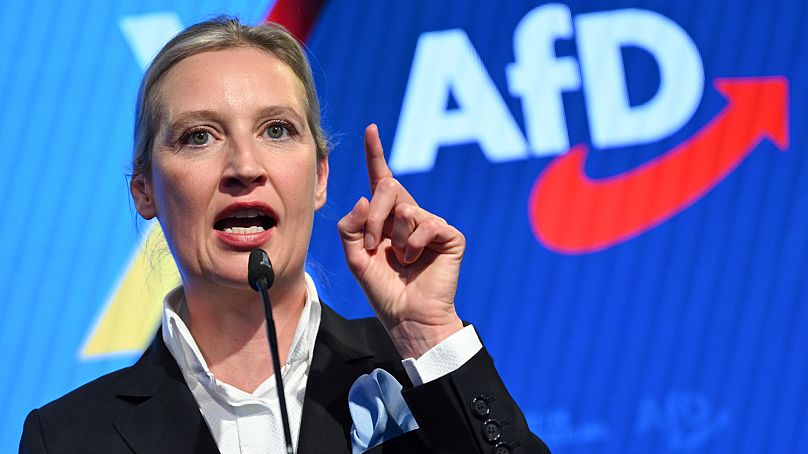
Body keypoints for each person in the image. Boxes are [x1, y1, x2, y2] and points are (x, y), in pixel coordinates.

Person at [19, 17, 549, 454]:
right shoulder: (67, 437)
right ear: (144, 191)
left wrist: (426, 333)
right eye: (199, 137)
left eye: (276, 129)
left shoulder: (420, 373)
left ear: (319, 177)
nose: (244, 166)